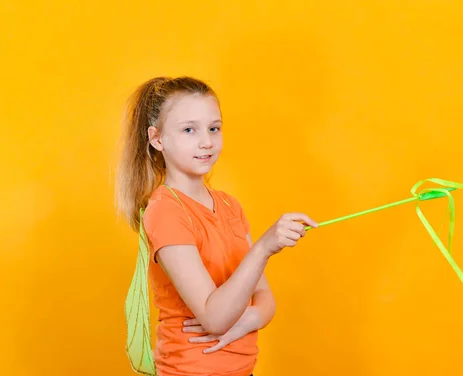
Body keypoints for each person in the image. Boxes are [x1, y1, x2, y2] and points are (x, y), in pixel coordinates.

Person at [115, 76, 318, 376]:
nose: (206, 141)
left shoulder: (228, 205)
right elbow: (214, 318)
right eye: (189, 130)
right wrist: (264, 247)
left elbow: (265, 300)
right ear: (157, 139)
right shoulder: (166, 211)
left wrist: (247, 319)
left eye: (214, 128)